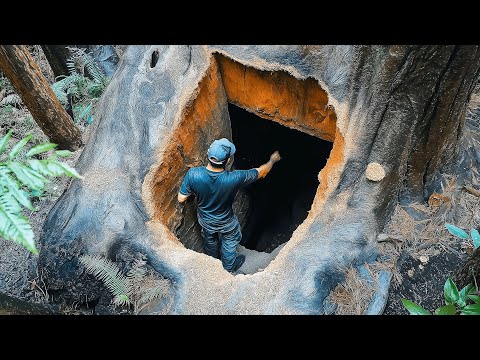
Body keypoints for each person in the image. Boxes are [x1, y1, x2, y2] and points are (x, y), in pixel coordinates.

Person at [177, 138, 281, 273]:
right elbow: (261, 172)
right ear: (226, 161)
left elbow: (181, 198)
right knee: (230, 240)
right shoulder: (234, 178)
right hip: (226, 221)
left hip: (206, 219)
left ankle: (213, 263)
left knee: (210, 240)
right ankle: (228, 267)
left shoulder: (193, 174)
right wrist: (272, 160)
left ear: (208, 155)